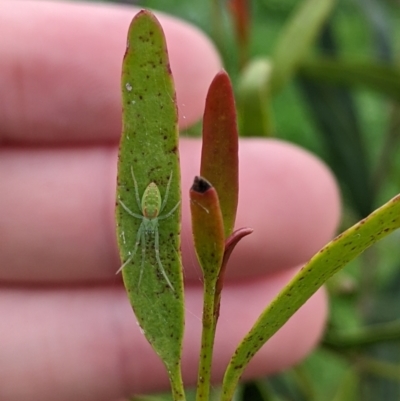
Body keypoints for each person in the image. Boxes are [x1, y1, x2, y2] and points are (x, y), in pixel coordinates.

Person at [0, 1, 341, 400]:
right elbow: (142, 217)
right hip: (147, 204)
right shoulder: (144, 219)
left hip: (150, 203)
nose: (141, 248)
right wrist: (145, 203)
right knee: (147, 253)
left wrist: (153, 206)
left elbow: (156, 219)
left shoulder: (151, 217)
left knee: (156, 255)